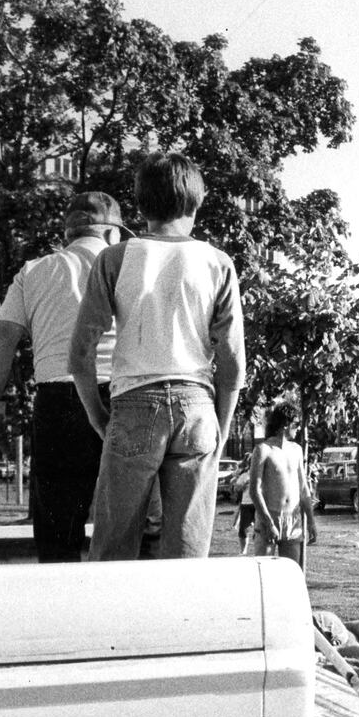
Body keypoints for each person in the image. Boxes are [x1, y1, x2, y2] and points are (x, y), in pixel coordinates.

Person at [69, 153, 245, 560]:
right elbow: (233, 363)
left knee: (113, 551)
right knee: (186, 554)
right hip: (197, 405)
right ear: (197, 203)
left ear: (140, 203)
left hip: (133, 402)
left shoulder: (114, 258)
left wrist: (97, 415)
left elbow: (80, 353)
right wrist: (220, 426)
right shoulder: (218, 262)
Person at [0, 192, 127, 561]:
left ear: (68, 234)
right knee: (129, 527)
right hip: (120, 398)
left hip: (56, 402)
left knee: (58, 536)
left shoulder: (34, 270)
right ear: (112, 234)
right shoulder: (127, 265)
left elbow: (3, 338)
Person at [249, 402, 318, 565]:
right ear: (285, 424)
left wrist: (311, 521)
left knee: (291, 573)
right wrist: (268, 522)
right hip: (269, 518)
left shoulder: (297, 450)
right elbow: (254, 490)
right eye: (296, 424)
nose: (298, 428)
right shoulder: (263, 450)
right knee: (265, 574)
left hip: (292, 521)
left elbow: (303, 489)